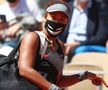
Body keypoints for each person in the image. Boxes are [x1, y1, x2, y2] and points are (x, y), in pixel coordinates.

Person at [18, 1, 108, 90]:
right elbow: (25, 70)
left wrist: (84, 75)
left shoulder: (61, 47)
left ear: (67, 23)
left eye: (62, 19)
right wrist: (53, 88)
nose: (57, 21)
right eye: (53, 17)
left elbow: (58, 81)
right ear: (45, 17)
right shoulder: (32, 37)